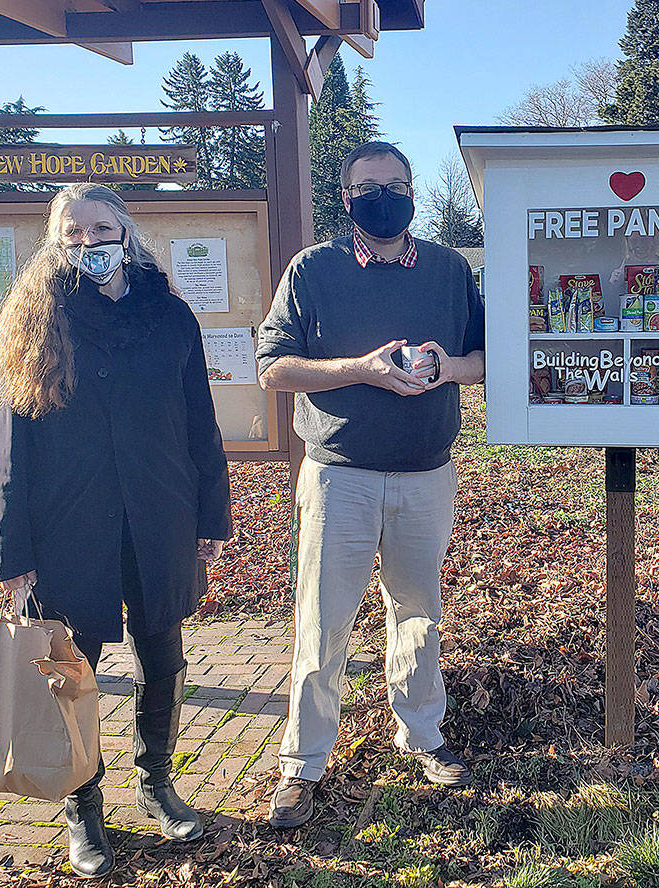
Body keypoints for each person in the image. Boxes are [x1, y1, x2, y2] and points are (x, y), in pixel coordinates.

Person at [0, 184, 232, 878]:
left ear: (126, 231)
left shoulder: (170, 315)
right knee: (71, 669)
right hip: (69, 525)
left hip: (159, 515)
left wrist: (211, 516)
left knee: (163, 654)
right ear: (56, 241)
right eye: (74, 231)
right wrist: (12, 553)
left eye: (100, 228)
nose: (88, 242)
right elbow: (11, 450)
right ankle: (82, 806)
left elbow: (200, 423)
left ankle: (156, 783)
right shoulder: (38, 319)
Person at [256, 141, 486, 829]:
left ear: (413, 192)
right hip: (340, 476)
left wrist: (448, 368)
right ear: (346, 196)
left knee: (419, 613)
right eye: (368, 187)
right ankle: (302, 763)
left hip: (426, 473)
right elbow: (273, 368)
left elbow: (488, 357)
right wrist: (360, 368)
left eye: (396, 185)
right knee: (323, 622)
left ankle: (422, 735)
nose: (383, 197)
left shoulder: (448, 269)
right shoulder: (313, 269)